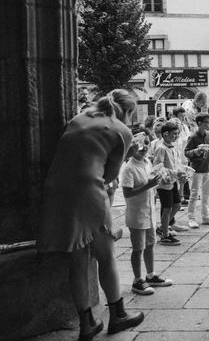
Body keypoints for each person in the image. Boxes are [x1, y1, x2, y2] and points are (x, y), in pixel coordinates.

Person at [37, 89, 144, 339]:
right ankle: (118, 315)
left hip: (56, 191)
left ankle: (87, 324)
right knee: (105, 256)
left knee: (77, 261)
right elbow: (109, 176)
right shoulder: (121, 130)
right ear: (127, 111)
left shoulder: (78, 118)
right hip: (87, 191)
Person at [121, 127, 173, 296]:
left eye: (145, 146)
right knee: (138, 248)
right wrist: (148, 186)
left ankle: (150, 275)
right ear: (132, 148)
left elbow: (151, 181)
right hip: (137, 213)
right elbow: (127, 193)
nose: (143, 150)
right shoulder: (129, 168)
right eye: (139, 148)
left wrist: (162, 179)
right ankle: (137, 280)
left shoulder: (147, 162)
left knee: (150, 244)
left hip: (149, 210)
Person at [153, 120, 189, 245]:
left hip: (172, 182)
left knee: (177, 205)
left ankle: (163, 226)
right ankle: (164, 235)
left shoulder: (173, 147)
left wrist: (181, 172)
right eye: (174, 134)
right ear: (165, 134)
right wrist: (174, 173)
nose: (176, 136)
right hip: (164, 183)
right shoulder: (161, 148)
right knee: (167, 208)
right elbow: (158, 166)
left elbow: (175, 163)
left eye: (177, 134)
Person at [184, 113, 209, 228]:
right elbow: (186, 152)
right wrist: (196, 151)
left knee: (206, 194)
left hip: (207, 169)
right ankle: (191, 218)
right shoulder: (193, 137)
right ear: (200, 123)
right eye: (207, 123)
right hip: (196, 169)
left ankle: (205, 216)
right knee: (194, 194)